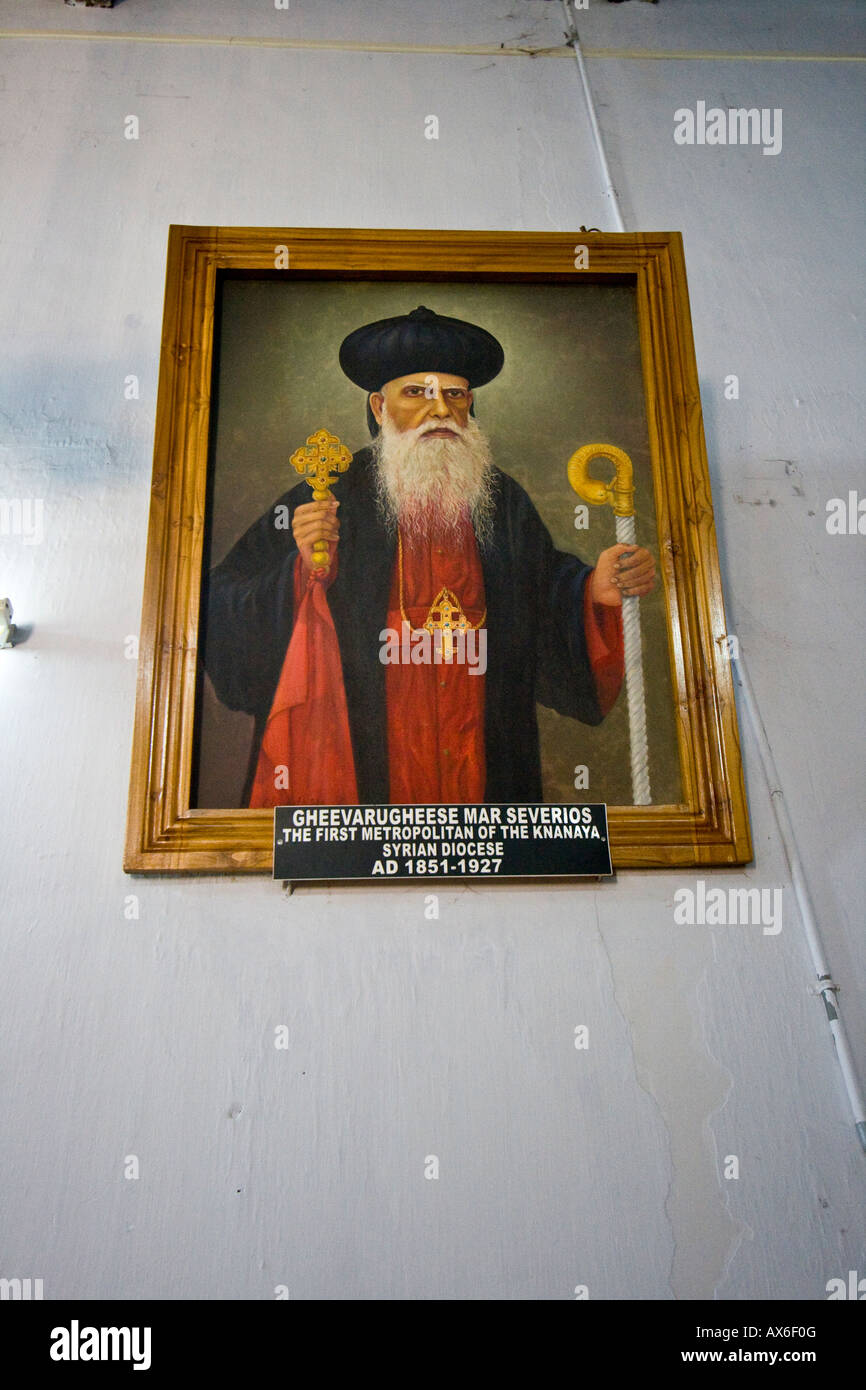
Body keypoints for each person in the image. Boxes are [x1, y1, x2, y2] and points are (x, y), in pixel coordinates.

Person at [203, 306, 655, 807]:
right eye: (416, 392)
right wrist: (301, 574)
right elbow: (224, 603)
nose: (439, 409)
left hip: (483, 748)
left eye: (454, 394)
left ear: (469, 404)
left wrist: (593, 592)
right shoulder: (329, 494)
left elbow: (543, 593)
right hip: (369, 750)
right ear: (379, 407)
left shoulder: (501, 500)